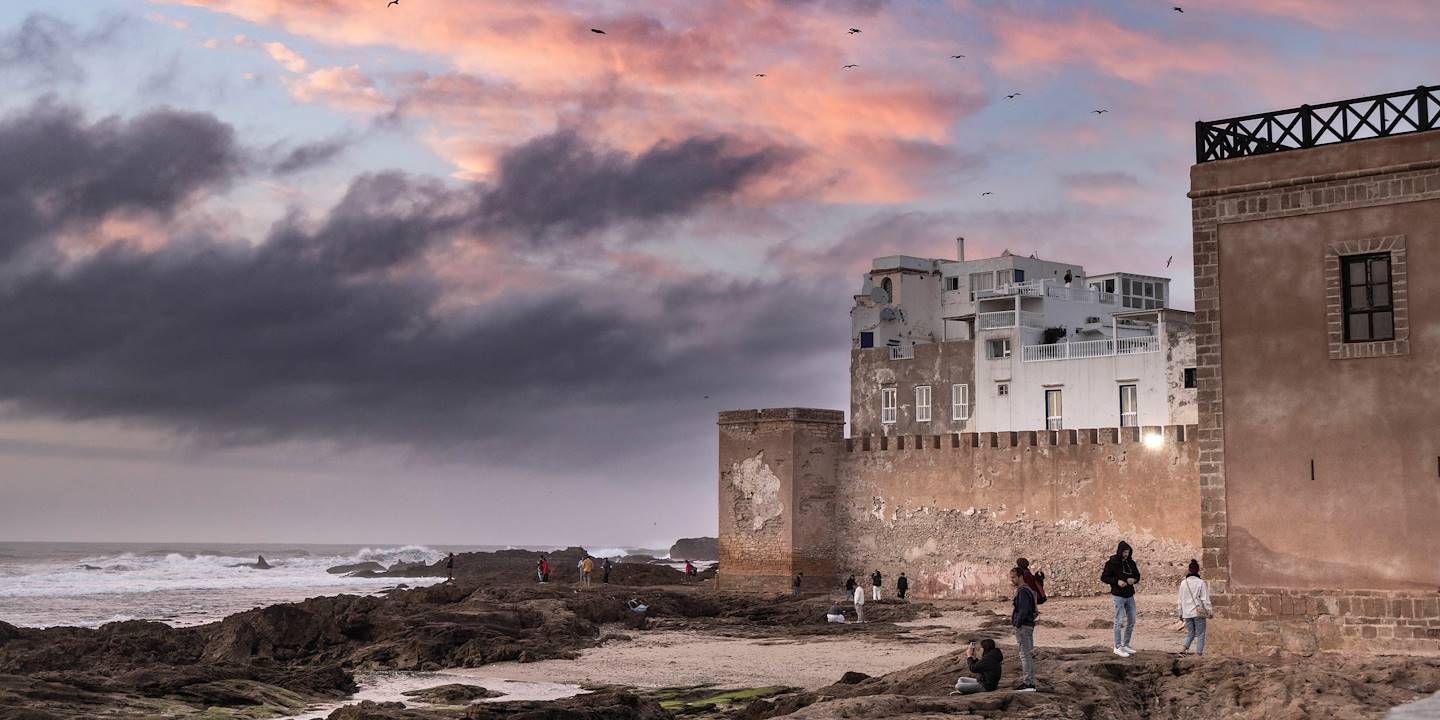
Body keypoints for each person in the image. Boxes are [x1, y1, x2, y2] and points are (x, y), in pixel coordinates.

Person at [1101, 541, 1141, 657]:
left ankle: (1126, 644)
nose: (1126, 554)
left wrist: (1134, 580)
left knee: (1132, 620)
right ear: (1120, 551)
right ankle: (1117, 647)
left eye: (1128, 552)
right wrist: (1117, 581)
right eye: (1124, 552)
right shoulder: (1111, 563)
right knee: (1119, 621)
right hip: (1118, 595)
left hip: (1129, 595)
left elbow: (1137, 575)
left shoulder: (1131, 563)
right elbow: (1104, 577)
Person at [1010, 566, 1038, 691]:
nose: (1012, 580)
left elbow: (1024, 610)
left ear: (1021, 576)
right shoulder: (1028, 590)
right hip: (1027, 625)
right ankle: (1029, 681)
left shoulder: (1023, 591)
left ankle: (1028, 683)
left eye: (1014, 577)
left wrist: (1017, 623)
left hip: (1024, 626)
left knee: (1025, 655)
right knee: (1028, 654)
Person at [1177, 558, 1212, 656]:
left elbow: (1180, 599)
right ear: (1198, 570)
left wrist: (1180, 613)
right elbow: (1205, 599)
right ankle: (1198, 654)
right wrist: (1209, 611)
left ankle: (1183, 650)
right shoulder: (1200, 583)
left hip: (1187, 613)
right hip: (1198, 612)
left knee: (1190, 633)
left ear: (1189, 570)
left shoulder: (1184, 583)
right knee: (1201, 634)